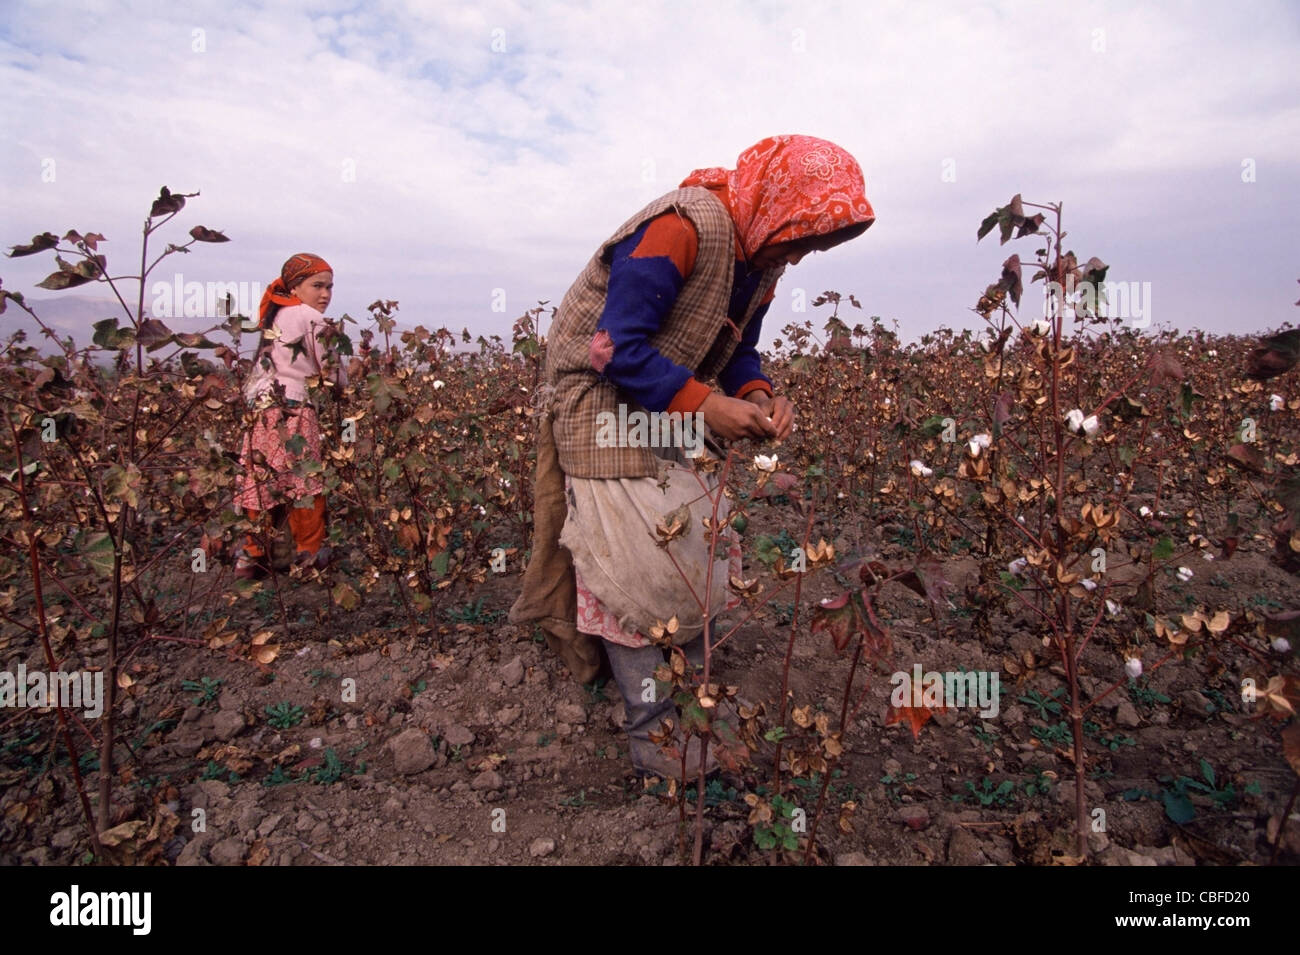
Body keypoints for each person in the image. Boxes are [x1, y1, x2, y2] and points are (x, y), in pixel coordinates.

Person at [510, 135, 874, 779]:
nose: (803, 253)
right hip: (598, 402)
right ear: (773, 205)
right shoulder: (682, 226)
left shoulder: (759, 262)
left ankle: (689, 702)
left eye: (815, 244)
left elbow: (735, 349)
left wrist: (758, 393)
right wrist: (709, 408)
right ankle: (654, 734)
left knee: (696, 548)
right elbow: (611, 347)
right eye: (803, 237)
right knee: (643, 565)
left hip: (661, 404)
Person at [234, 253, 348, 579]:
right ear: (294, 286)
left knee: (262, 483)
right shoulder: (311, 318)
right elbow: (331, 370)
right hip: (295, 410)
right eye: (317, 285)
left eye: (329, 287)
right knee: (305, 483)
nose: (325, 294)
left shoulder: (276, 317)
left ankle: (252, 556)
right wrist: (346, 385)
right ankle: (309, 555)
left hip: (261, 412)